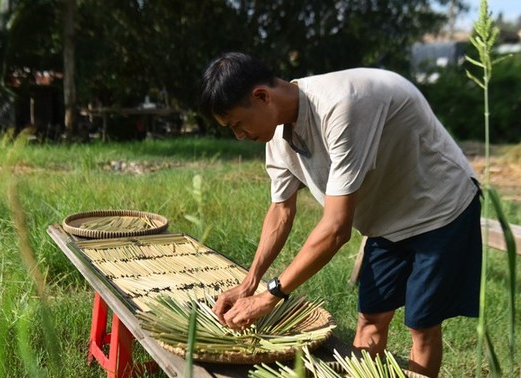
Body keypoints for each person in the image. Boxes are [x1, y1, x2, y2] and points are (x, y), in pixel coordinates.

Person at [198, 51, 482, 378]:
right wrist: (249, 284)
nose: (239, 135)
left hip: (439, 208)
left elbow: (336, 230)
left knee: (421, 326)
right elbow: (280, 210)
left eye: (237, 124)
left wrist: (271, 295)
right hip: (386, 220)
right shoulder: (277, 135)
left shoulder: (341, 106)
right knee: (371, 318)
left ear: (261, 96)